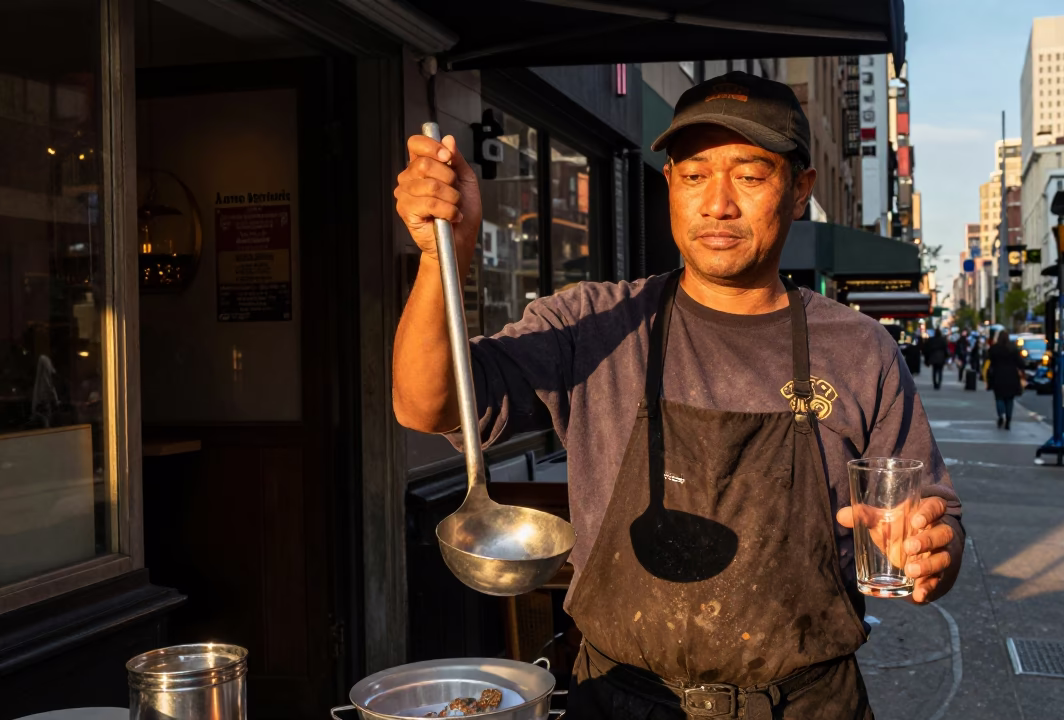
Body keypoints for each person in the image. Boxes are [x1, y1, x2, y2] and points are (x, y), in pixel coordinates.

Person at [392, 70, 964, 719]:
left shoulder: (860, 349)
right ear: (669, 184)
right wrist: (444, 255)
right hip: (618, 701)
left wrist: (927, 552)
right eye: (694, 176)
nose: (718, 203)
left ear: (800, 188)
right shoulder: (593, 324)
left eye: (749, 176)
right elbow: (426, 405)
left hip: (804, 705)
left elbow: (934, 525)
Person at [985, 330, 1024, 429]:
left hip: (998, 375)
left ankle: (1001, 415)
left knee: (999, 398)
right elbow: (1020, 363)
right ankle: (1008, 419)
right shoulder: (1013, 349)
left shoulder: (994, 349)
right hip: (1011, 376)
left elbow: (988, 360)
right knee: (1010, 399)